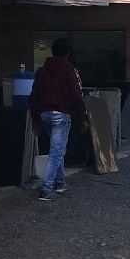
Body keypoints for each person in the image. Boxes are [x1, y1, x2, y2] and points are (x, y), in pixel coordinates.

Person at [29, 38, 88, 201]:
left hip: (44, 114)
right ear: (68, 53)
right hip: (61, 115)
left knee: (57, 148)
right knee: (57, 151)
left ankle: (60, 182)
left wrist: (35, 118)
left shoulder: (42, 71)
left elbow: (33, 96)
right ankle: (46, 189)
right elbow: (77, 96)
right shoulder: (69, 70)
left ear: (52, 52)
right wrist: (83, 117)